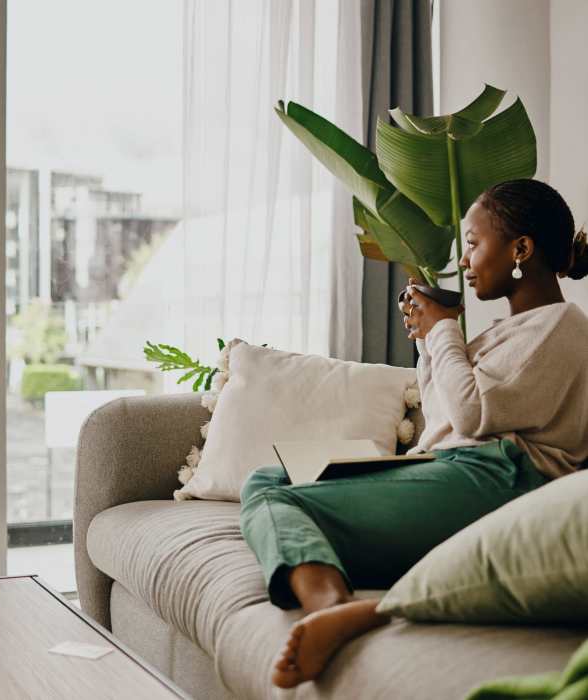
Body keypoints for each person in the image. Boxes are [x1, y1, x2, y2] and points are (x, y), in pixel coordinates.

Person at [238, 178, 588, 690]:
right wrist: (430, 341)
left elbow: (470, 417)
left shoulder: (560, 329)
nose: (465, 262)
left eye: (473, 242)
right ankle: (329, 590)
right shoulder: (507, 331)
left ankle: (330, 605)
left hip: (502, 480)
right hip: (456, 469)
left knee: (286, 502)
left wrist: (445, 329)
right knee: (270, 480)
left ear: (521, 249)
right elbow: (445, 420)